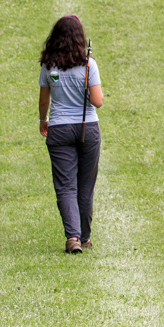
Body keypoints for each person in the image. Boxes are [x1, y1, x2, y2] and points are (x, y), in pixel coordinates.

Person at [39, 15, 103, 254]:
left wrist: (42, 120)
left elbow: (44, 100)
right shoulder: (88, 64)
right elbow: (97, 101)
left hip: (58, 128)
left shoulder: (48, 65)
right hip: (88, 129)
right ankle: (85, 237)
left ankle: (73, 238)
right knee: (85, 186)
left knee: (66, 186)